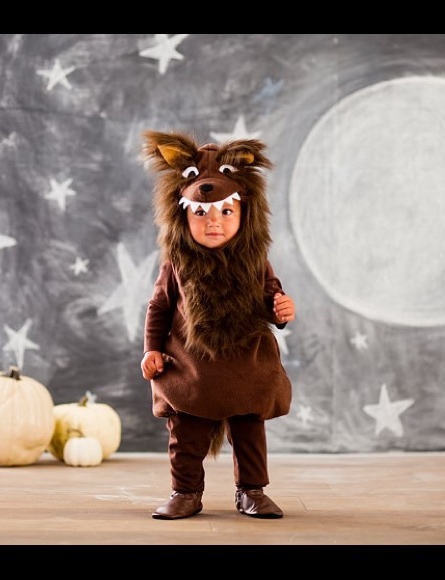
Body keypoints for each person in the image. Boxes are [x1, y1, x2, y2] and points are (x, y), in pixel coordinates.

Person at [140, 129, 295, 520]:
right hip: (191, 367)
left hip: (245, 365)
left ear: (245, 214)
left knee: (248, 431)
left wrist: (280, 309)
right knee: (186, 433)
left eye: (226, 212)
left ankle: (252, 490)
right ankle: (185, 492)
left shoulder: (254, 261)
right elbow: (159, 307)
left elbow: (271, 296)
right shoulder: (176, 264)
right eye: (201, 213)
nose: (214, 222)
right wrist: (152, 349)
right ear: (182, 215)